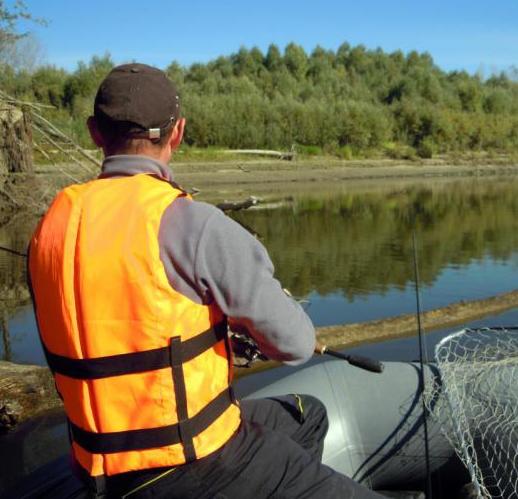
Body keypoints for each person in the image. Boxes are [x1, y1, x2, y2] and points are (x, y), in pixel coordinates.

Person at [27, 63, 383, 498]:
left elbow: (115, 329)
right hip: (190, 465)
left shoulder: (48, 230)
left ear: (94, 133)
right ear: (177, 133)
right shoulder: (192, 224)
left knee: (308, 416)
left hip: (96, 466)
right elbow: (293, 344)